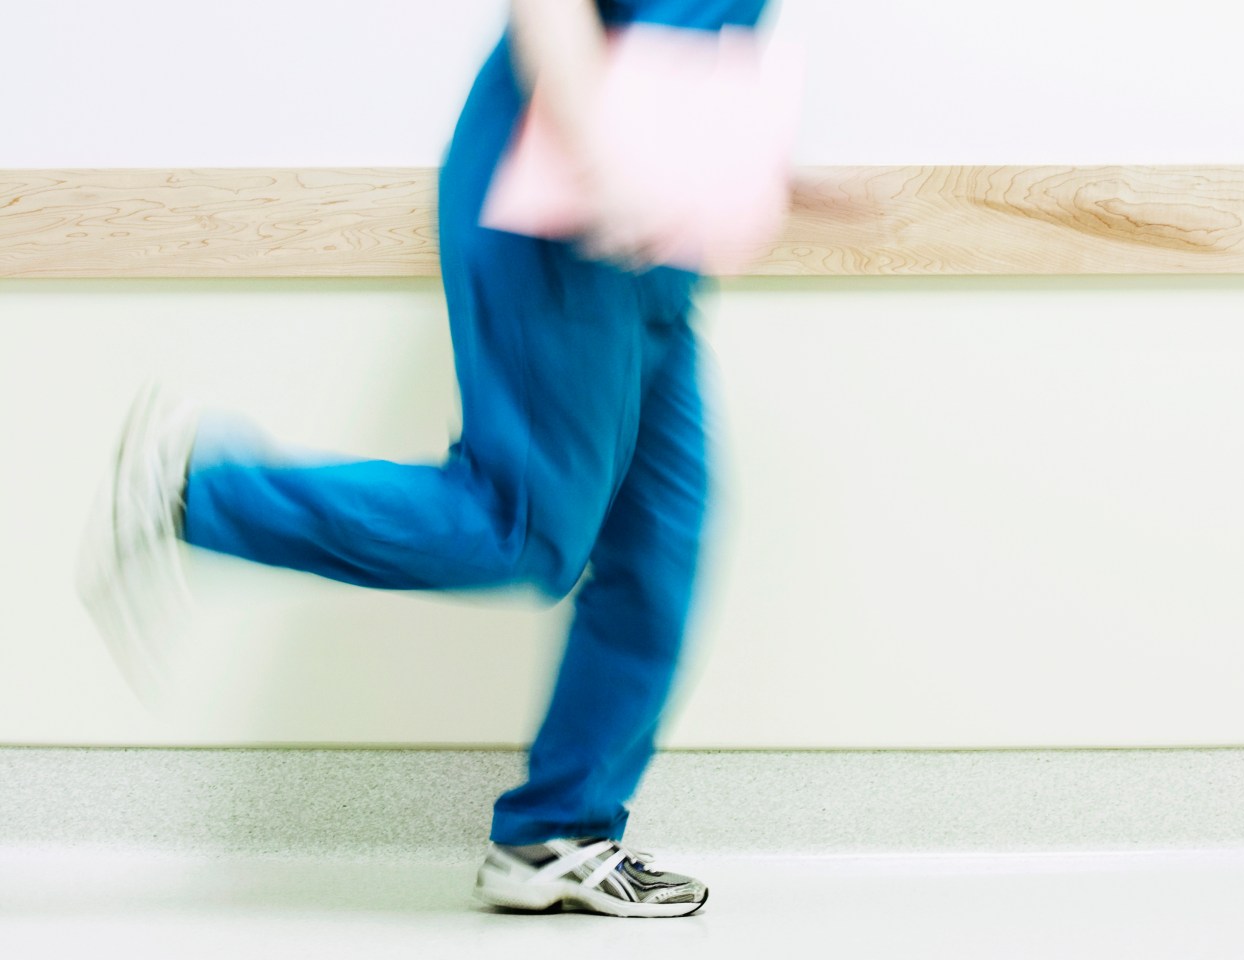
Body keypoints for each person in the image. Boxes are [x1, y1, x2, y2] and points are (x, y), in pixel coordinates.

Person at [77, 0, 774, 919]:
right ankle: (196, 490)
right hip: (563, 196)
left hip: (653, 224)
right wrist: (604, 162)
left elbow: (676, 43)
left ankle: (554, 837)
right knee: (518, 531)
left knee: (659, 545)